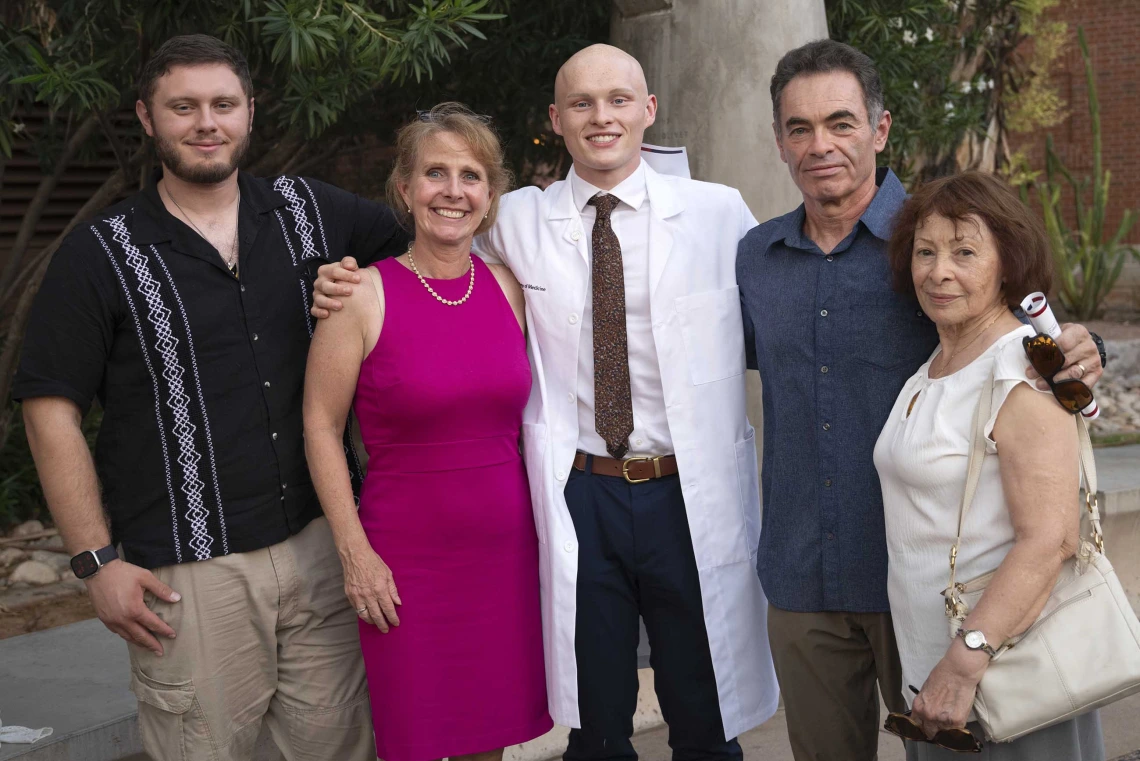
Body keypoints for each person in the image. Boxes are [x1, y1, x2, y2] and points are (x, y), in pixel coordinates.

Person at [313, 44, 779, 761]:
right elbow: (430, 238)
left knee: (704, 712)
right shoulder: (518, 221)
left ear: (647, 111)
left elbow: (780, 322)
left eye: (619, 99)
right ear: (556, 120)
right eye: (582, 104)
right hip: (578, 496)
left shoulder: (719, 214)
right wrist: (335, 280)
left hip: (687, 493)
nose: (602, 117)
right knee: (594, 726)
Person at [14, 34, 406, 761]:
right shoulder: (101, 252)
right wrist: (94, 562)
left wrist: (366, 288)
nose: (206, 122)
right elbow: (50, 409)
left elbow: (430, 256)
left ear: (249, 113)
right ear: (146, 117)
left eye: (223, 104)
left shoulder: (309, 212)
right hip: (191, 579)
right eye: (183, 106)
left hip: (324, 553)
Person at [736, 39, 1105, 761]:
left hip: (936, 586)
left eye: (841, 123)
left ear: (879, 129)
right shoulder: (755, 257)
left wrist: (1083, 349)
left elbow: (1034, 339)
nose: (821, 145)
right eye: (799, 127)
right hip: (802, 573)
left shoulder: (942, 239)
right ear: (778, 141)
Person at [303, 102, 553, 761]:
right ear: (406, 188)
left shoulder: (512, 289)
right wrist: (356, 555)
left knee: (486, 743)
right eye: (434, 173)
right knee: (411, 740)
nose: (452, 191)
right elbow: (320, 427)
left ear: (491, 194)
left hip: (505, 558)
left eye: (470, 175)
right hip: (403, 564)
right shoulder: (360, 293)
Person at [874, 170, 1105, 760]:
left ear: (1009, 264)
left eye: (965, 251)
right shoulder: (936, 362)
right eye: (925, 251)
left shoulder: (1021, 369)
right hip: (938, 683)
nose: (938, 270)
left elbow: (1051, 538)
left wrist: (965, 659)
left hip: (1006, 677)